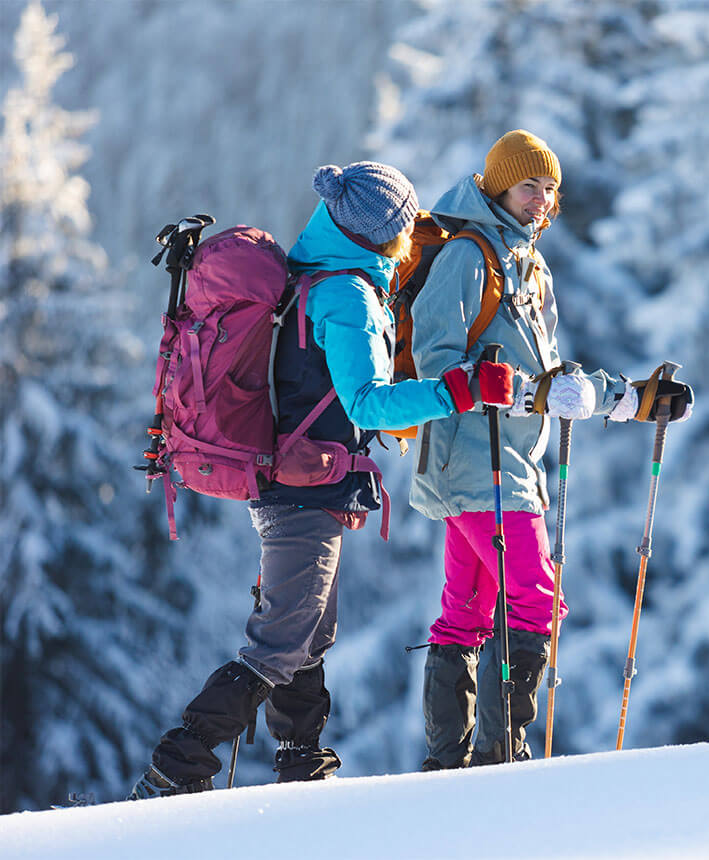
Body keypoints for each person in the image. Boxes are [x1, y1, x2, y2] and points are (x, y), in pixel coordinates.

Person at [128, 162, 516, 798]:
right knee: (280, 643)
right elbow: (368, 402)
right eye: (404, 231)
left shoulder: (312, 273)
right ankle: (178, 766)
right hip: (304, 492)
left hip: (299, 482)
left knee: (309, 633)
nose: (410, 242)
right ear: (379, 237)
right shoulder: (348, 296)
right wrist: (462, 390)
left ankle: (301, 762)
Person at [409, 130, 692, 769]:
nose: (540, 198)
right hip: (473, 457)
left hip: (510, 462)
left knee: (470, 608)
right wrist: (516, 393)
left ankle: (447, 763)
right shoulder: (466, 257)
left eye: (548, 188)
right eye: (528, 184)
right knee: (535, 598)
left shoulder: (529, 265)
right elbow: (437, 362)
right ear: (497, 185)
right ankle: (497, 757)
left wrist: (633, 399)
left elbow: (551, 378)